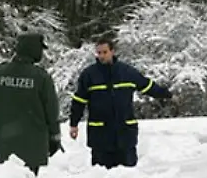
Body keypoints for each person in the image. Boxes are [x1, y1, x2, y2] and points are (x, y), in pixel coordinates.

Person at [68, 37, 172, 168]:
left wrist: (167, 94)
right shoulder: (89, 75)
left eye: (104, 52)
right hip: (100, 137)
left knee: (128, 176)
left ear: (112, 51)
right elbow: (79, 101)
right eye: (99, 53)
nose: (101, 56)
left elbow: (147, 86)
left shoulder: (127, 72)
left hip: (125, 135)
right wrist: (74, 124)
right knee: (101, 177)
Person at [0, 32, 63, 176]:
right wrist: (55, 137)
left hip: (3, 141)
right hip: (33, 145)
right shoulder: (42, 77)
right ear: (34, 50)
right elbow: (51, 110)